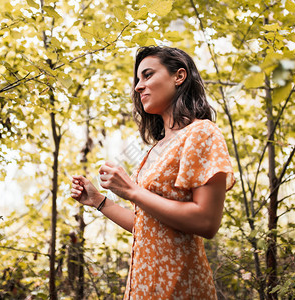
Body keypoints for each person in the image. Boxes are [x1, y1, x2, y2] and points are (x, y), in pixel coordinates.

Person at [71, 46, 235, 299]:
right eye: (138, 79)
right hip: (143, 288)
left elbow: (206, 222)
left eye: (147, 75)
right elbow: (150, 226)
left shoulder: (202, 133)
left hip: (181, 287)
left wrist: (132, 191)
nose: (138, 86)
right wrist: (99, 201)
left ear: (179, 76)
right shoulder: (156, 148)